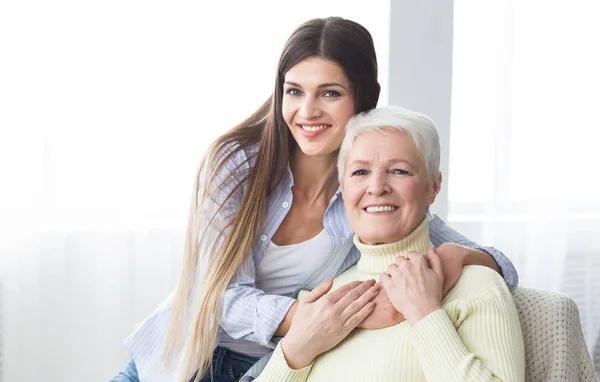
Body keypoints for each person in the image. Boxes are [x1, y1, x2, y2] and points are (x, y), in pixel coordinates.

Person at [112, 17, 518, 382]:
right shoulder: (236, 164)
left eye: (329, 93)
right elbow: (214, 294)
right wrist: (311, 319)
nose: (307, 112)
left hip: (264, 370)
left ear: (365, 97)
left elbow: (503, 266)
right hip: (180, 362)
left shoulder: (364, 194)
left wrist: (458, 256)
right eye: (294, 91)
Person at [255, 106, 525, 382]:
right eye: (360, 172)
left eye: (399, 171)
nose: (376, 187)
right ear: (343, 188)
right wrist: (295, 352)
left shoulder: (476, 286)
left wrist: (425, 314)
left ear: (433, 186)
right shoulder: (324, 296)